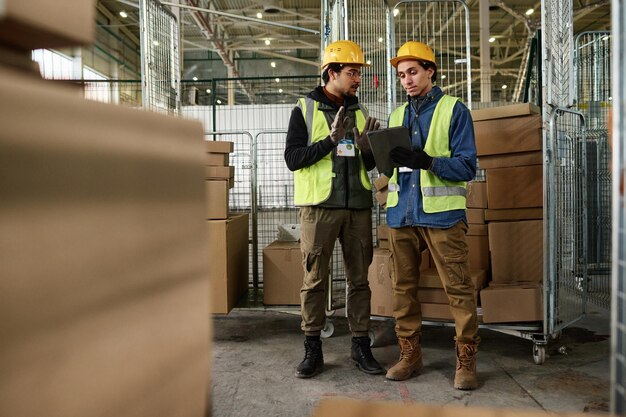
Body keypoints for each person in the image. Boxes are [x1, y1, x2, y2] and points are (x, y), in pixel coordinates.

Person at [383, 41, 480, 389]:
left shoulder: (454, 110)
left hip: (441, 217)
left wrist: (427, 161)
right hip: (400, 215)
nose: (406, 80)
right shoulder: (396, 116)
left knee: (458, 289)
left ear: (430, 71)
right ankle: (410, 354)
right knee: (403, 289)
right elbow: (388, 170)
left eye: (412, 72)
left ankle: (466, 361)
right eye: (401, 75)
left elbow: (468, 166)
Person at [284, 39, 383, 379]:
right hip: (319, 208)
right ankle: (313, 350)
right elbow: (293, 160)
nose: (357, 78)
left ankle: (360, 346)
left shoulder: (361, 112)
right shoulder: (304, 109)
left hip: (357, 206)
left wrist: (369, 149)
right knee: (314, 280)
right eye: (352, 72)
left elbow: (368, 164)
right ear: (331, 72)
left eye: (358, 72)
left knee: (360, 281)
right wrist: (329, 140)